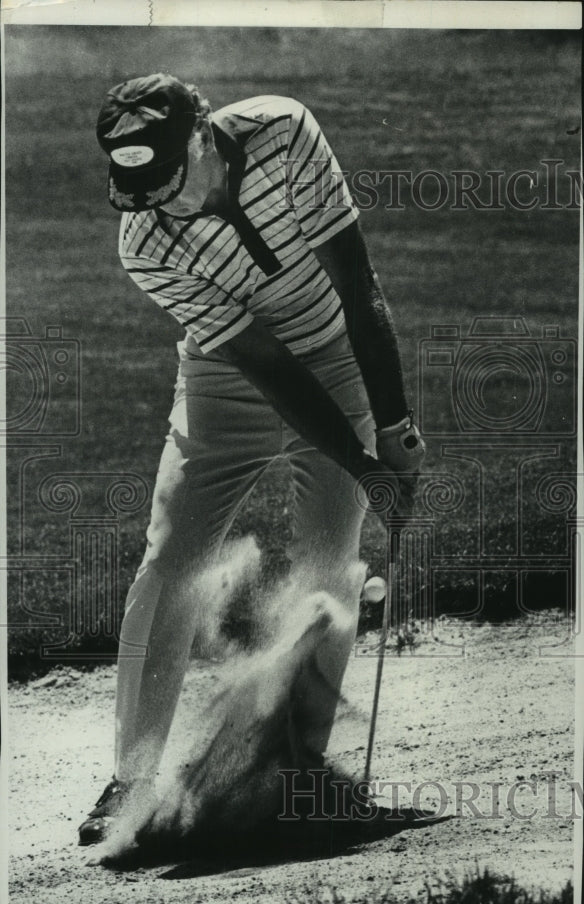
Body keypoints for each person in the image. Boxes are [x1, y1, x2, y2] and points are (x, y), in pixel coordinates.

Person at [79, 73, 425, 845]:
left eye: (170, 181)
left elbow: (357, 283)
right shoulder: (145, 243)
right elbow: (265, 363)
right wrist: (362, 462)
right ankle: (131, 782)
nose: (161, 205)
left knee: (330, 558)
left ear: (203, 135)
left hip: (336, 350)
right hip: (225, 373)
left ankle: (300, 772)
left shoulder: (284, 133)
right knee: (172, 557)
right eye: (142, 192)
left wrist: (393, 432)